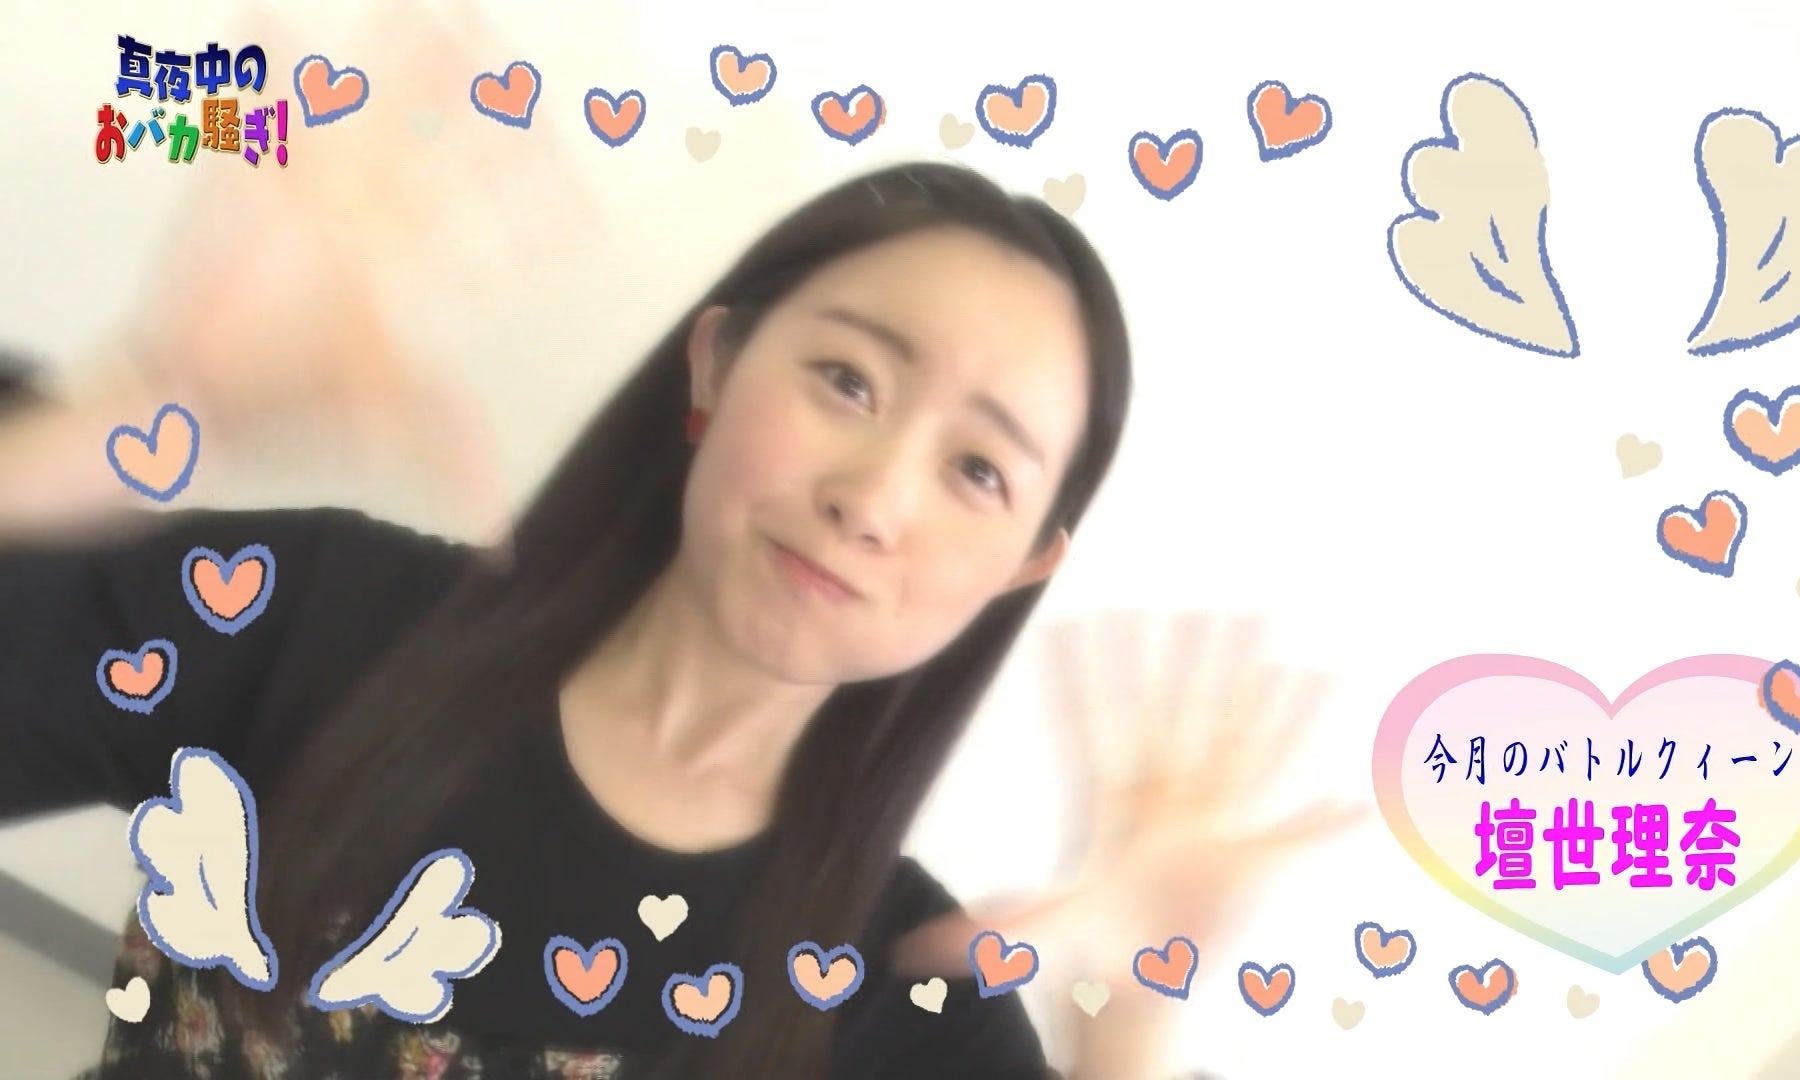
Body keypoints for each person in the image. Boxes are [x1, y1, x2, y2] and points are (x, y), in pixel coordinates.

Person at [0, 163, 1358, 1080]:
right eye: (848, 379)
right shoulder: (321, 620)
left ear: (1024, 565)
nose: (874, 498)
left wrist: (1130, 1029)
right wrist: (140, 396)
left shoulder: (900, 987)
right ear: (715, 364)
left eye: (977, 470)